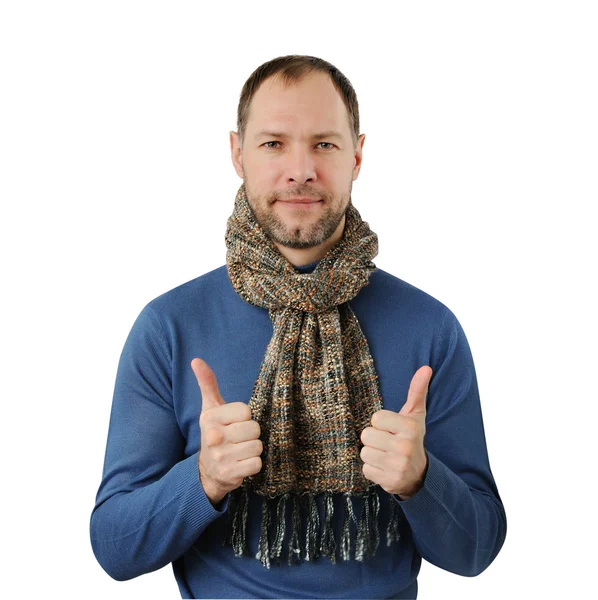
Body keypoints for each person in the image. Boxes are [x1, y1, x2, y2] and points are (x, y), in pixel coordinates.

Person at [90, 54, 507, 599]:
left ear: (357, 156)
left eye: (325, 144)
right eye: (273, 143)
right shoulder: (169, 327)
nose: (301, 169)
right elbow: (114, 550)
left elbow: (477, 551)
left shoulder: (430, 327)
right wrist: (204, 480)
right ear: (237, 153)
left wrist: (420, 480)